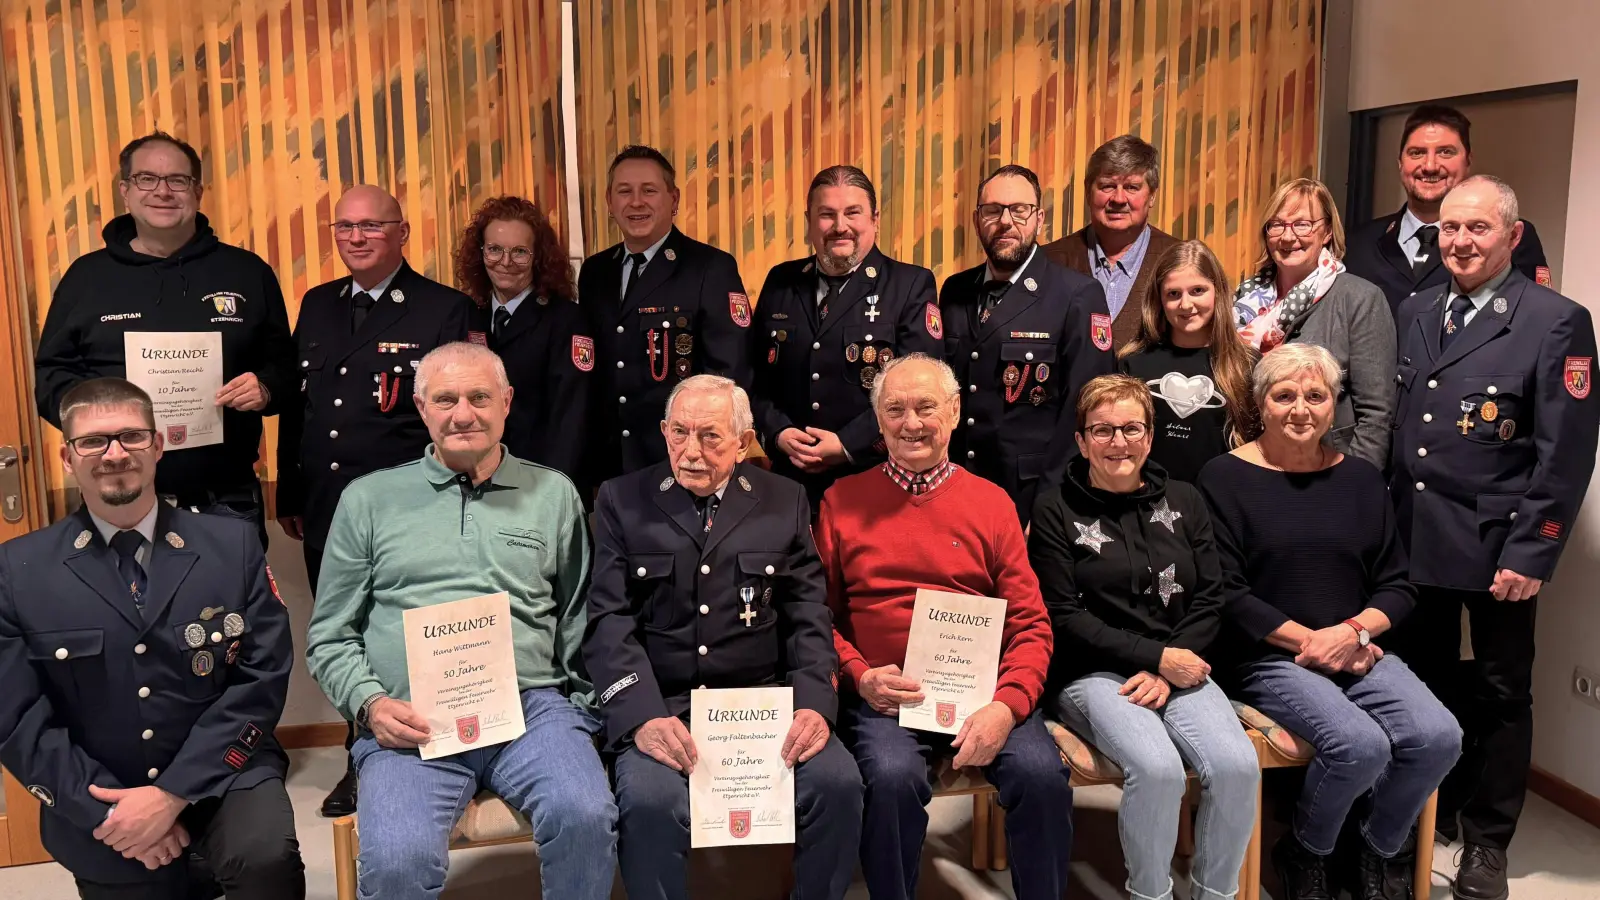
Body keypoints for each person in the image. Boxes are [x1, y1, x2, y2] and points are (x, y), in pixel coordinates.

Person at [305, 342, 616, 900]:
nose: (463, 413)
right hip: (410, 717)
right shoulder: (367, 500)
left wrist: (581, 712)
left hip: (532, 709)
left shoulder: (554, 494)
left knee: (586, 813)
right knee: (397, 862)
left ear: (507, 402)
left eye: (479, 397)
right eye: (445, 399)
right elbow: (330, 635)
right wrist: (371, 703)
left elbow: (579, 619)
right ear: (421, 407)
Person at [0, 378, 303, 899]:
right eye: (93, 441)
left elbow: (262, 677)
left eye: (131, 437)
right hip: (101, 789)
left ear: (158, 446)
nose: (114, 454)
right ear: (67, 458)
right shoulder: (18, 569)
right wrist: (109, 811)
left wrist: (171, 794)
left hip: (224, 773)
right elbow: (17, 717)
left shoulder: (230, 545)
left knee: (266, 857)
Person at [1388, 175, 1598, 900]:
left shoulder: (1555, 321)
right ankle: (1424, 818)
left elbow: (1565, 453)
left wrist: (1533, 549)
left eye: (1477, 229)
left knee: (1503, 692)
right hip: (1416, 539)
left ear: (1512, 235)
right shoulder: (1416, 309)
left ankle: (1486, 842)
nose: (1461, 242)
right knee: (1422, 686)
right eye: (1449, 229)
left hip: (1496, 545)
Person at [1196, 344, 1461, 900]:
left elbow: (1397, 582)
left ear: (1334, 405)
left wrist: (1353, 633)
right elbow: (1226, 592)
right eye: (1284, 395)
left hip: (1355, 647)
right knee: (1358, 745)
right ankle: (1306, 851)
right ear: (1259, 404)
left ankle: (1376, 848)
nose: (1301, 408)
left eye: (1316, 396)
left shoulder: (1363, 480)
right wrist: (1317, 641)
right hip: (1265, 656)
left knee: (1439, 737)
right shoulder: (1222, 478)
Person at [584, 374, 862, 900]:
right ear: (664, 431)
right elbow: (608, 621)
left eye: (710, 436)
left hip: (762, 702)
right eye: (680, 433)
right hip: (664, 703)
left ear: (743, 439)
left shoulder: (786, 500)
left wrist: (814, 706)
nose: (692, 451)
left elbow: (808, 613)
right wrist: (641, 717)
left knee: (837, 784)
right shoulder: (623, 500)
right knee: (648, 803)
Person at [816, 353, 1072, 900]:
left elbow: (1031, 624)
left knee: (1041, 775)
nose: (912, 422)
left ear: (954, 412)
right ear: (878, 421)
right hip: (887, 695)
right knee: (890, 779)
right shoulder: (841, 501)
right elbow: (818, 616)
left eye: (926, 406)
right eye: (895, 409)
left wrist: (1007, 704)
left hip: (983, 693)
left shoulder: (993, 503)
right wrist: (859, 676)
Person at [274, 184, 474, 818]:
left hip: (404, 510)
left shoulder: (443, 309)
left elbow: (455, 415)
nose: (356, 238)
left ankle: (412, 756)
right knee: (340, 632)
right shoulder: (318, 304)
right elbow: (301, 406)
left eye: (371, 227)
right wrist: (290, 483)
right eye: (345, 228)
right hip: (328, 502)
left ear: (401, 233)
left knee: (396, 631)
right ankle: (360, 750)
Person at [1029, 374, 1257, 900]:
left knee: (1237, 765)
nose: (1119, 442)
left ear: (1150, 436)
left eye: (1132, 428)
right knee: (1156, 771)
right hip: (1091, 671)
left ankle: (1214, 894)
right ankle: (1149, 894)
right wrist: (1156, 657)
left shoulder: (1186, 498)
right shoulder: (1054, 509)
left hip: (1178, 662)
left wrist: (1165, 665)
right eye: (1103, 430)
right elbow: (1063, 614)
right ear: (1082, 440)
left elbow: (1211, 597)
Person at [33, 132, 297, 548]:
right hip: (115, 495)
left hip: (223, 500)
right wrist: (99, 422)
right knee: (118, 614)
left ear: (197, 191)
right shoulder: (86, 279)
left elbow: (285, 366)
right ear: (125, 191)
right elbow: (52, 378)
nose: (162, 191)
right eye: (146, 179)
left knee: (228, 614)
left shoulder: (246, 272)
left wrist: (264, 387)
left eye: (177, 180)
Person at [748, 165, 943, 507]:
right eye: (827, 214)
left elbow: (921, 391)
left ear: (874, 218)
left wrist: (846, 445)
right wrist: (777, 433)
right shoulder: (781, 281)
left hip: (875, 482)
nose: (840, 226)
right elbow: (754, 378)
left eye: (853, 213)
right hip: (787, 484)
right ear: (810, 220)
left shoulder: (909, 285)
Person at [941, 164, 1115, 522]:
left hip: (1031, 495)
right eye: (993, 210)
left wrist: (1051, 506)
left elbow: (1086, 408)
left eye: (1019, 210)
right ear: (977, 221)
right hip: (956, 487)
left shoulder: (1076, 294)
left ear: (1039, 219)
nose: (1005, 221)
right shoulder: (955, 290)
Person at [579, 145, 753, 482]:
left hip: (681, 463)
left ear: (673, 200)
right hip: (609, 465)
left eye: (649, 191)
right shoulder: (595, 272)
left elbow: (728, 377)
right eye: (624, 191)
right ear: (609, 202)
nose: (636, 202)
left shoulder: (710, 268)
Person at [1233, 178, 1395, 468]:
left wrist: (1354, 482)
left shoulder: (1360, 299)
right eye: (1277, 225)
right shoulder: (1245, 298)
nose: (1287, 236)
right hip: (1255, 462)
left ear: (1328, 232)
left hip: (1328, 469)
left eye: (1302, 224)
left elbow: (1376, 414)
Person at [1344, 104, 1550, 314]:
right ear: (1400, 163)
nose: (1430, 165)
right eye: (1417, 153)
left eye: (1445, 152)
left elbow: (1533, 320)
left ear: (1468, 160)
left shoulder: (1507, 237)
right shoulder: (1357, 244)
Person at [454, 195, 593, 491]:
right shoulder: (467, 316)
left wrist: (552, 492)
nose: (505, 262)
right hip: (476, 481)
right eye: (494, 250)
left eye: (520, 252)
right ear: (480, 253)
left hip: (540, 483)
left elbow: (571, 419)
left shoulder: (566, 319)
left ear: (538, 257)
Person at [1119, 240, 1259, 482]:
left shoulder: (1246, 365)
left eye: (1198, 291)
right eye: (1173, 294)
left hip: (1220, 504)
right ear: (1159, 300)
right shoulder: (1133, 363)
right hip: (1148, 503)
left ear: (1218, 291)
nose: (1185, 304)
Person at [1042, 135, 1180, 352]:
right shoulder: (1048, 262)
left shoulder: (1179, 260)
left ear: (1152, 195)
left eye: (1132, 187)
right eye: (1107, 186)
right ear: (1088, 191)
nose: (1118, 199)